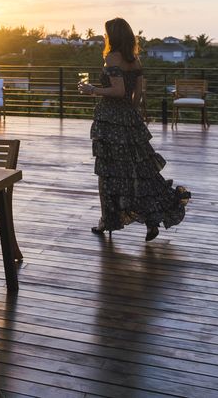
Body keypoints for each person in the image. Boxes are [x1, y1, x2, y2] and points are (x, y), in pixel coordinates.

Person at [77, 18, 191, 241]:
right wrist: (131, 113)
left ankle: (107, 221)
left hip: (110, 121)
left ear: (113, 35)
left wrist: (92, 90)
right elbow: (137, 93)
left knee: (109, 173)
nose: (105, 36)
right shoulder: (134, 59)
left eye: (106, 33)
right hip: (130, 118)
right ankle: (151, 221)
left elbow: (118, 91)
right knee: (141, 172)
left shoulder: (112, 57)